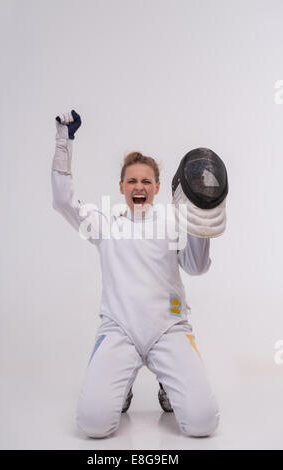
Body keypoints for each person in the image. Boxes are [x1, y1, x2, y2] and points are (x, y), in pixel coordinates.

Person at [51, 110, 220, 439]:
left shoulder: (172, 221)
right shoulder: (105, 223)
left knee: (203, 423)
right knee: (92, 425)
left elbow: (197, 267)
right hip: (119, 330)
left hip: (168, 328)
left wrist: (200, 212)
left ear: (157, 187)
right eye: (132, 181)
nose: (139, 187)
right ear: (121, 187)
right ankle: (122, 385)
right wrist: (63, 141)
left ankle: (169, 388)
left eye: (146, 181)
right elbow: (63, 201)